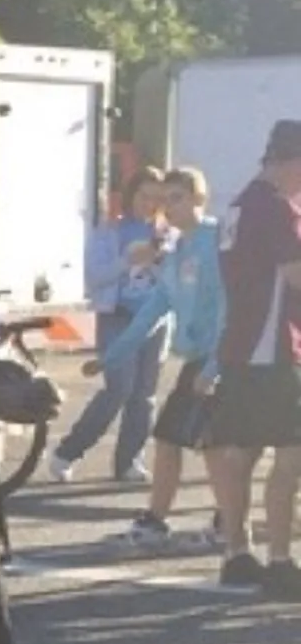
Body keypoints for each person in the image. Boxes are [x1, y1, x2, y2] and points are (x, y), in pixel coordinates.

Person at [84, 167, 227, 551]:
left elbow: (231, 308)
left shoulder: (217, 243)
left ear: (199, 199)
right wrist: (111, 356)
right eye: (164, 200)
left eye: (176, 198)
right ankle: (159, 521)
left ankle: (227, 522)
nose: (168, 207)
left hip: (221, 359)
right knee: (172, 438)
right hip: (197, 360)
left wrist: (215, 367)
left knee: (213, 445)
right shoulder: (177, 250)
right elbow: (153, 310)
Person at [207, 120, 301, 598]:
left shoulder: (239, 205)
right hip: (275, 346)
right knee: (290, 452)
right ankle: (281, 559)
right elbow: (295, 276)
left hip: (240, 343)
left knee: (240, 452)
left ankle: (236, 552)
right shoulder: (277, 208)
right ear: (290, 161)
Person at [48, 167, 171, 484]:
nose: (149, 204)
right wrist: (128, 261)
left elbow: (176, 281)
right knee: (119, 388)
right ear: (131, 195)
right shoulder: (109, 232)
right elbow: (95, 277)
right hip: (117, 315)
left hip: (155, 320)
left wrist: (158, 262)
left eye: (156, 198)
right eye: (144, 196)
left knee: (144, 395)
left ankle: (129, 461)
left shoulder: (167, 233)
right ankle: (67, 452)